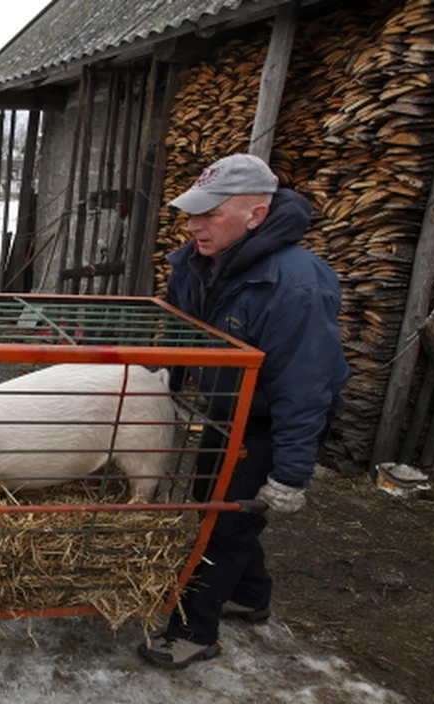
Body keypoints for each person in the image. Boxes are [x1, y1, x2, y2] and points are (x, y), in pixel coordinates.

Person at [141, 152, 350, 669]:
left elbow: (307, 385)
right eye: (192, 213)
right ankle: (252, 595)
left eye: (209, 215)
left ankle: (193, 630)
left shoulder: (296, 284)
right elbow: (185, 332)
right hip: (227, 405)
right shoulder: (195, 262)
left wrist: (292, 472)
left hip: (271, 418)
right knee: (209, 497)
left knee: (226, 520)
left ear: (255, 216)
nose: (193, 226)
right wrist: (166, 380)